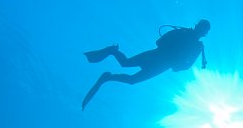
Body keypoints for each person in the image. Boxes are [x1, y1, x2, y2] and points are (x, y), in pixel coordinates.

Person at [81, 20, 210, 109]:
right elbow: (161, 43)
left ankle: (107, 76)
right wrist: (174, 60)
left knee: (131, 78)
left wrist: (175, 62)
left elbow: (185, 65)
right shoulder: (185, 35)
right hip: (157, 59)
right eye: (202, 28)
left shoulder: (195, 45)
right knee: (125, 64)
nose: (202, 30)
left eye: (203, 29)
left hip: (159, 63)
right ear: (201, 29)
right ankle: (112, 52)